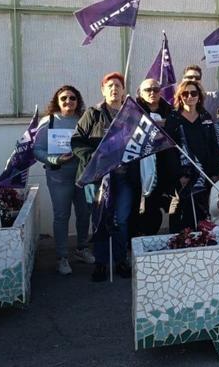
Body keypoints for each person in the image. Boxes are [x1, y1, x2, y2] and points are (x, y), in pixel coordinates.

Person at [72, 72, 139, 282]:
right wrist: (93, 158)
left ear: (123, 90)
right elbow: (76, 141)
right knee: (100, 219)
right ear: (103, 90)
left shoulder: (132, 114)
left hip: (124, 177)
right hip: (98, 177)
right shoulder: (93, 114)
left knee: (121, 219)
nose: (114, 89)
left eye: (118, 85)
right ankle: (101, 263)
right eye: (110, 86)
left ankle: (120, 260)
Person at [33, 85, 93, 276]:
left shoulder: (85, 120)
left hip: (82, 175)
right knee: (61, 216)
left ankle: (82, 248)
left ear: (78, 100)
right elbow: (37, 150)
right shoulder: (49, 121)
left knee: (84, 213)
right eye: (64, 98)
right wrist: (56, 159)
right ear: (57, 101)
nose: (68, 101)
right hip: (59, 176)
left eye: (72, 98)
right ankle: (62, 257)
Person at [163, 80, 219, 231]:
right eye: (185, 93)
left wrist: (215, 172)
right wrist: (179, 175)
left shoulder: (205, 116)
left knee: (202, 216)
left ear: (199, 96)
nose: (190, 96)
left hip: (204, 174)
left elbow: (213, 145)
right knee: (180, 214)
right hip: (182, 176)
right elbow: (169, 149)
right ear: (180, 96)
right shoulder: (173, 118)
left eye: (194, 93)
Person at [134, 78, 174, 236]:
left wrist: (167, 126)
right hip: (139, 166)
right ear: (141, 93)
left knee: (155, 207)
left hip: (164, 165)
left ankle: (150, 237)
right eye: (148, 90)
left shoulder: (170, 111)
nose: (152, 93)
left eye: (156, 89)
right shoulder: (134, 110)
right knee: (135, 206)